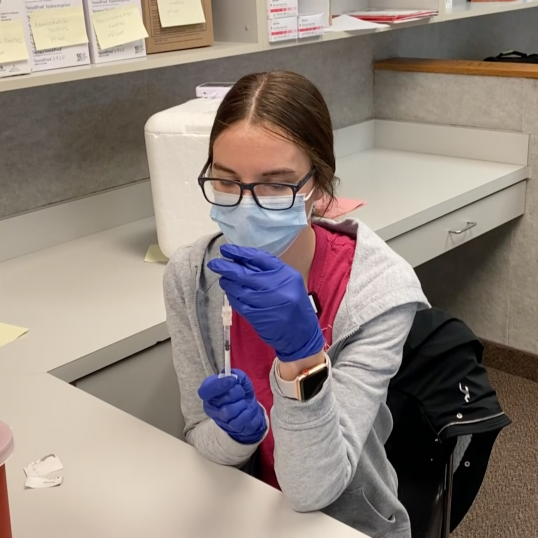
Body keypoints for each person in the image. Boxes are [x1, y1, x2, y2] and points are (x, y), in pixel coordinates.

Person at [163, 70, 429, 538]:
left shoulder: (377, 292)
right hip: (238, 514)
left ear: (319, 188)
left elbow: (314, 490)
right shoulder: (190, 277)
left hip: (340, 523)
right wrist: (233, 436)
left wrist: (303, 360)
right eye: (226, 182)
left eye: (275, 184)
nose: (246, 206)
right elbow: (199, 437)